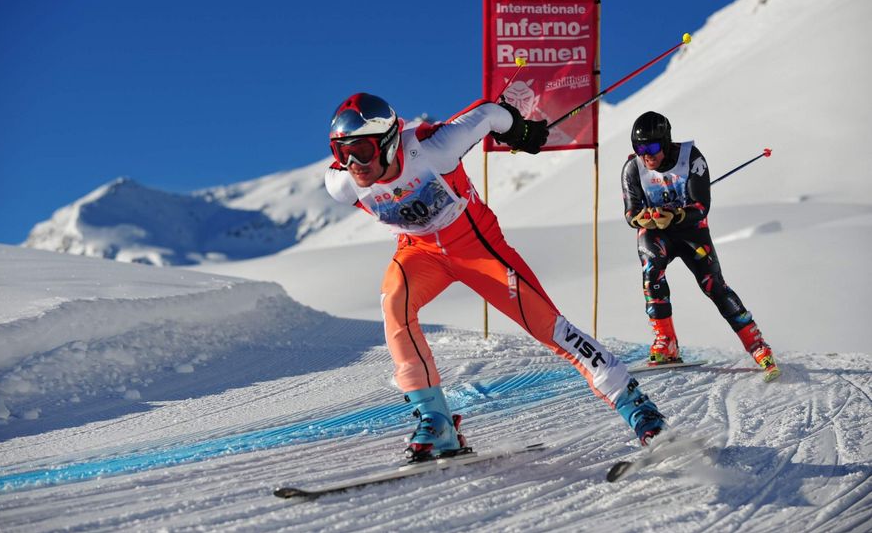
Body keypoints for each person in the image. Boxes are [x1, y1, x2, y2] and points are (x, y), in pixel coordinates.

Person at [325, 92, 667, 462]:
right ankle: (436, 421)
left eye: (361, 150)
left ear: (389, 142)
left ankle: (636, 407)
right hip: (420, 252)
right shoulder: (343, 183)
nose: (353, 163)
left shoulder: (435, 149)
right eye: (342, 152)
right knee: (394, 304)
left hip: (477, 247)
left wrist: (518, 131)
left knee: (548, 327)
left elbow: (488, 112)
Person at [621, 110, 781, 382]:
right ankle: (666, 342)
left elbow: (701, 207)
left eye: (652, 146)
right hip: (656, 233)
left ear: (667, 141)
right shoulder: (632, 168)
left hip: (690, 231)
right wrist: (642, 217)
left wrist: (675, 215)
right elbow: (630, 213)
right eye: (639, 147)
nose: (646, 154)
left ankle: (757, 345)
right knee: (651, 273)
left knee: (713, 285)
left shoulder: (692, 159)